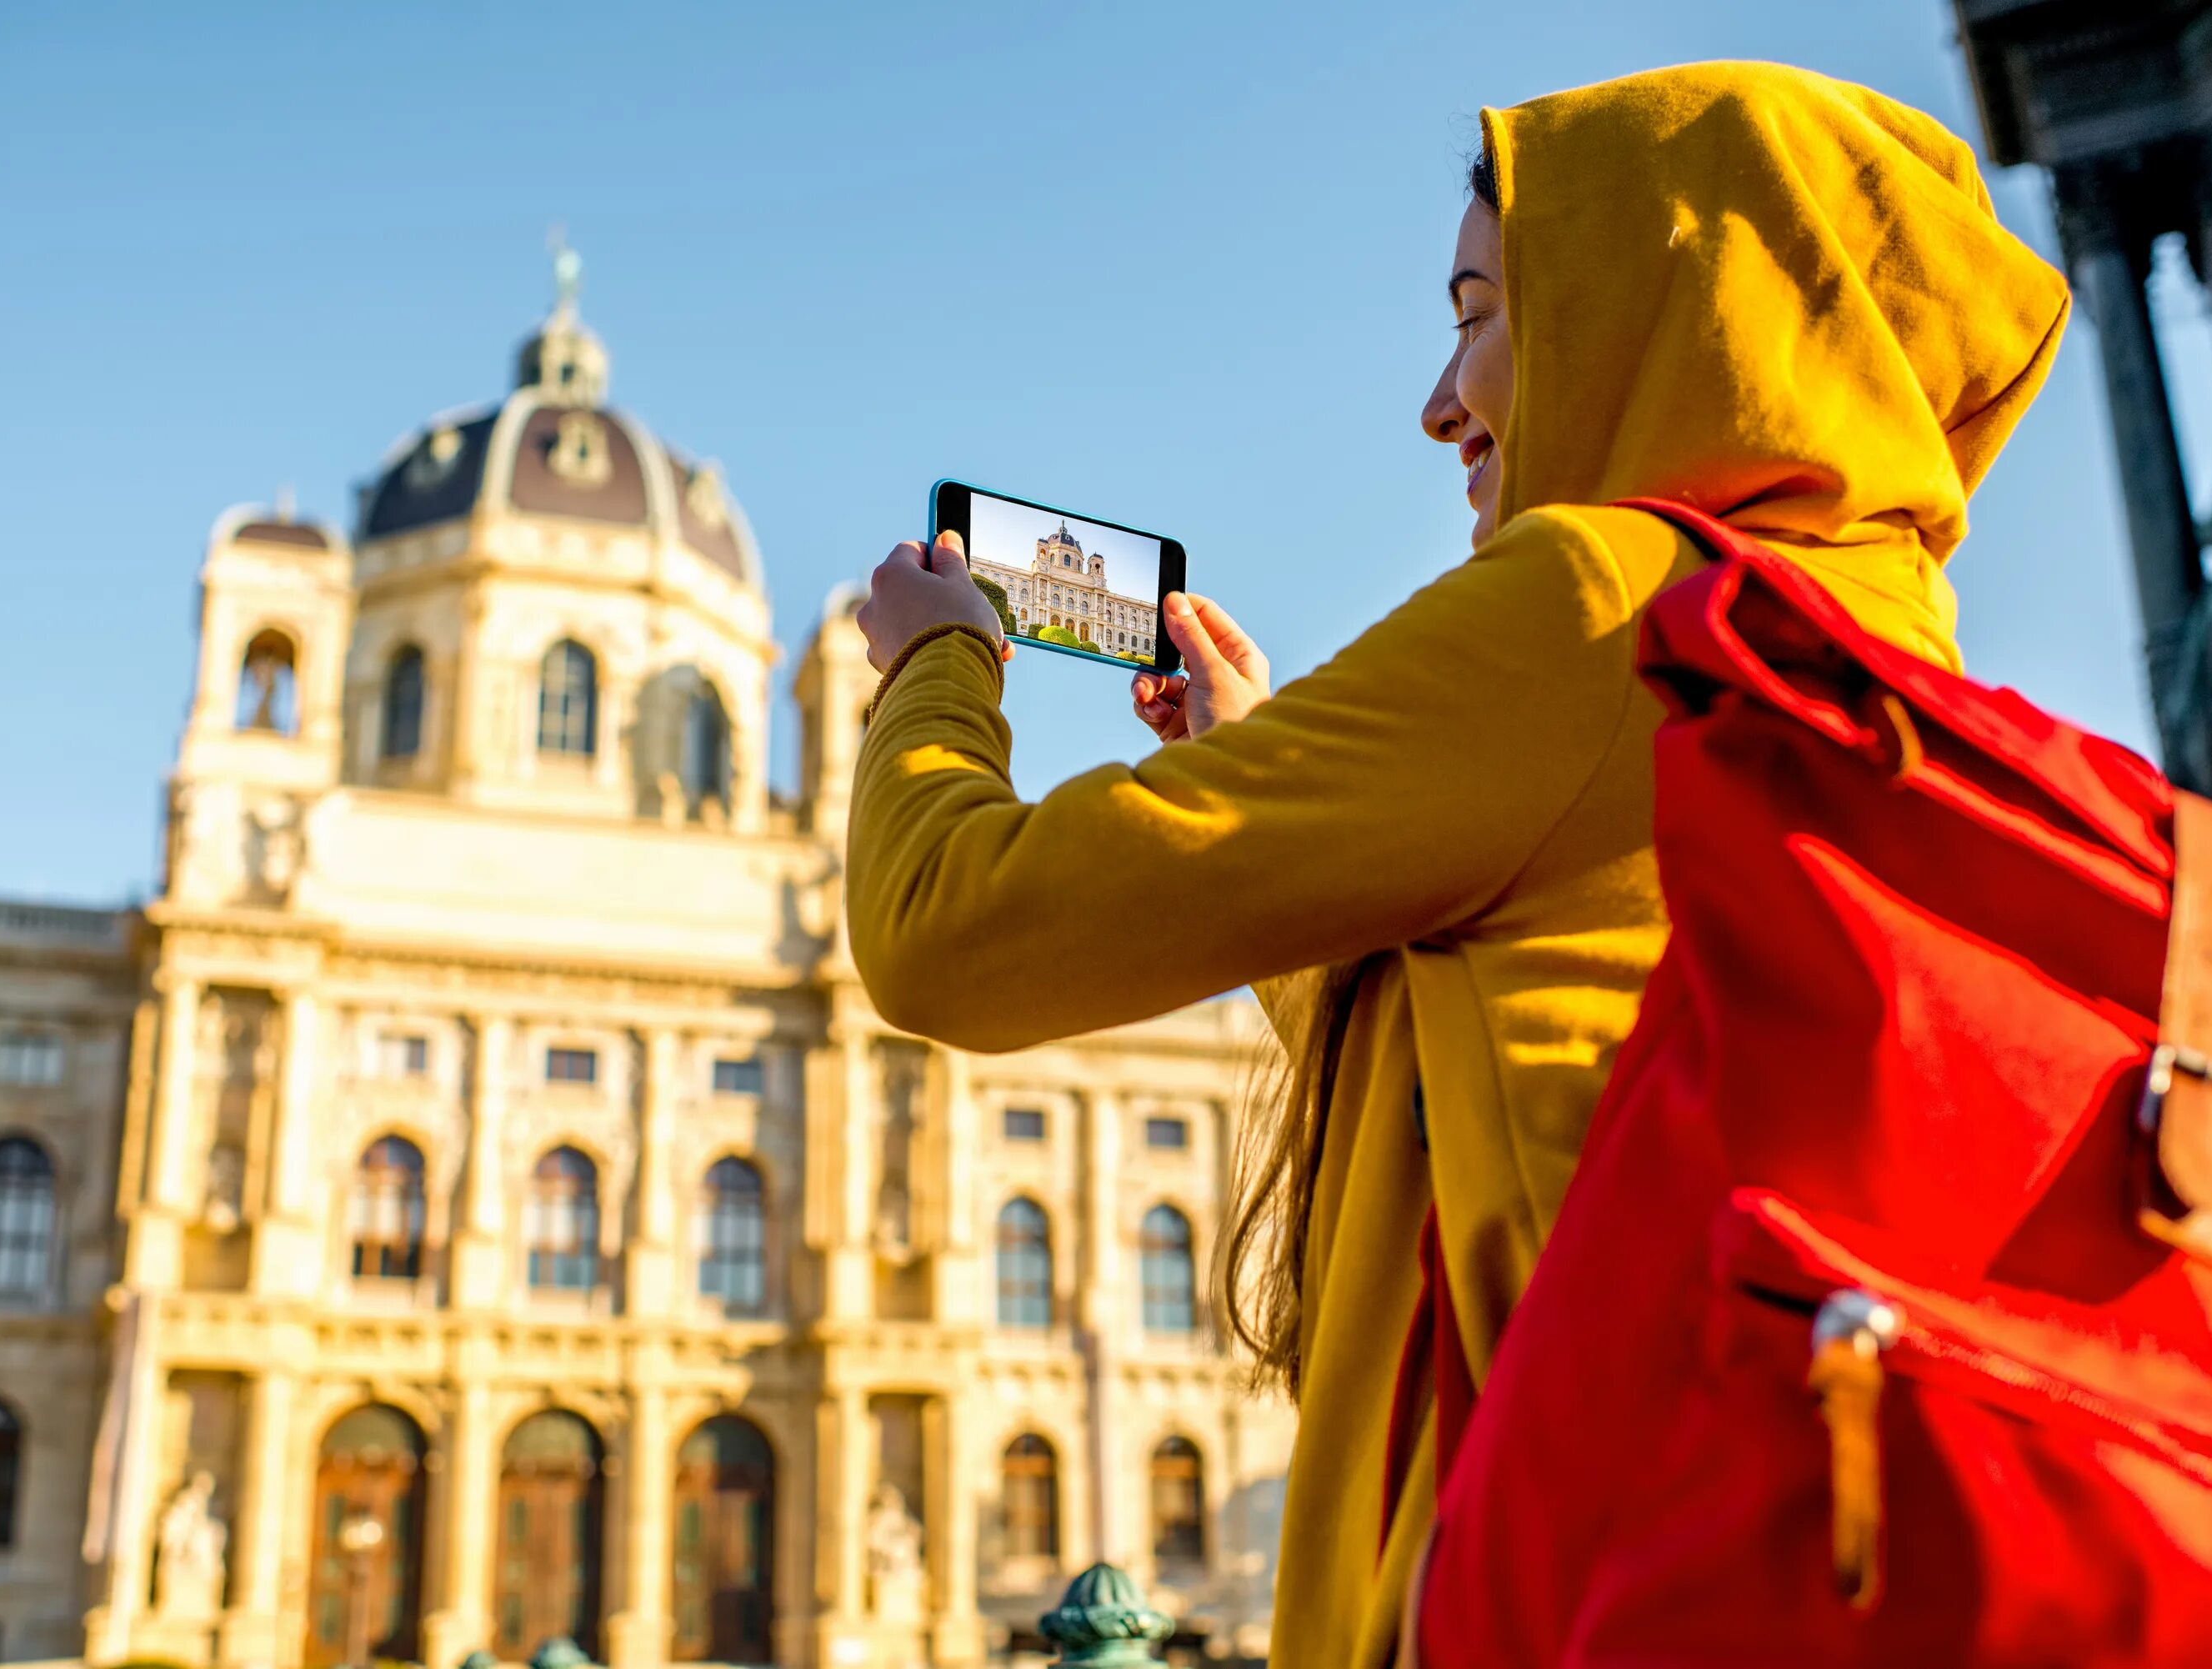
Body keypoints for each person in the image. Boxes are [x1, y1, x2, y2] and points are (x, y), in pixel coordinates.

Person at [848, 62, 2068, 1669]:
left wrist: (941, 668)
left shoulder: (1603, 605)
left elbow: (950, 931)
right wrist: (1261, 773)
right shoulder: (1893, 661)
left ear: (1659, 307)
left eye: (1482, 309)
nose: (1439, 400)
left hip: (1539, 1587)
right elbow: (1493, 1066)